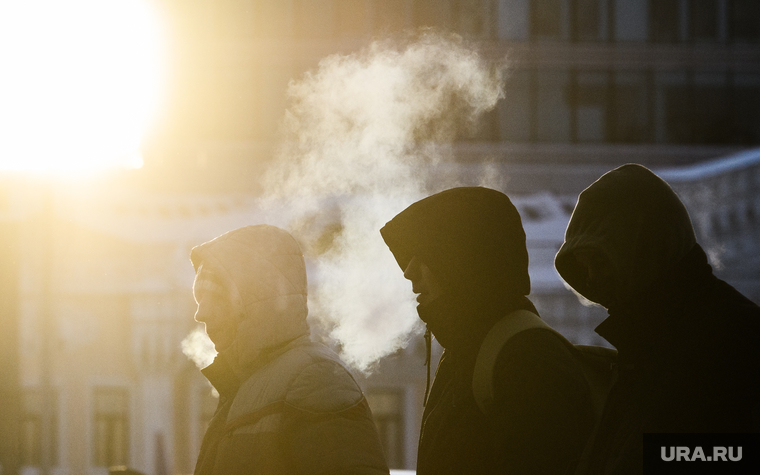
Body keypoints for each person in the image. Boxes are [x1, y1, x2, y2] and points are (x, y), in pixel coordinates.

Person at [554, 164, 760, 474]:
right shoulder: (647, 344)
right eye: (585, 267)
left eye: (601, 261)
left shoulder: (732, 340)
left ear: (648, 247)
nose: (594, 278)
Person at [380, 187, 594, 474]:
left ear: (461, 262)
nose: (408, 273)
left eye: (423, 256)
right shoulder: (470, 349)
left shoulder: (529, 360)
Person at [190, 225, 389, 475]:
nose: (201, 313)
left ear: (254, 300)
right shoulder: (247, 386)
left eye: (215, 298)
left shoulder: (316, 377)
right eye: (199, 300)